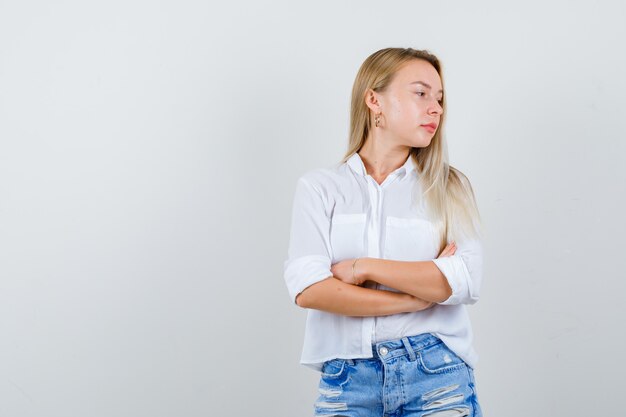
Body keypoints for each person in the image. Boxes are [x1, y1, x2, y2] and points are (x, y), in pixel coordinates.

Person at [283, 47, 484, 417]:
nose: (436, 108)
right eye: (421, 93)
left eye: (439, 98)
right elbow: (310, 289)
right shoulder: (320, 188)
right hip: (346, 380)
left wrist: (364, 268)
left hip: (436, 373)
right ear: (374, 100)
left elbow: (464, 281)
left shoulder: (449, 186)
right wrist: (415, 299)